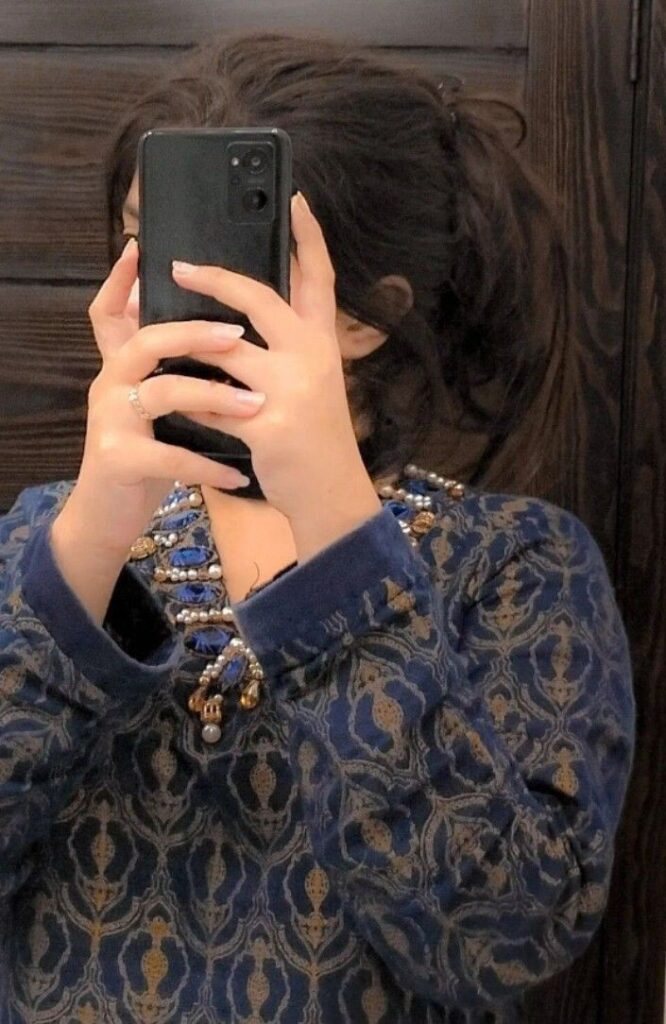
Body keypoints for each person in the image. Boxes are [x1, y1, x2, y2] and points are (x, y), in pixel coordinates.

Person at [0, 30, 635, 1024]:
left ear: (365, 316)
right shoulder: (46, 538)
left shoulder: (517, 567)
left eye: (230, 265)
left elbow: (500, 939)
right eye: (145, 245)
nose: (172, 297)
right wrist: (87, 541)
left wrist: (339, 536)